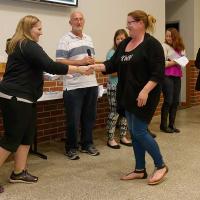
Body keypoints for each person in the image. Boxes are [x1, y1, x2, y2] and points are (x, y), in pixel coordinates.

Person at [0, 15, 91, 193]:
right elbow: (51, 65)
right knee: (12, 138)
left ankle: (18, 172)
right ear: (29, 29)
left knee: (27, 136)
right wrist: (79, 68)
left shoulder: (20, 45)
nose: (41, 33)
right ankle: (18, 171)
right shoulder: (27, 45)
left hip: (25, 97)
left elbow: (40, 69)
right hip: (16, 97)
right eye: (39, 29)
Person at [89, 10, 168, 185]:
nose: (128, 26)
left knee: (140, 131)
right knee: (134, 132)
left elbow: (158, 73)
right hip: (127, 94)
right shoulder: (125, 43)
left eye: (130, 22)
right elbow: (112, 64)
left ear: (141, 23)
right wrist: (94, 67)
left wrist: (145, 91)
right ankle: (140, 169)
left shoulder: (152, 44)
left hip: (145, 95)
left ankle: (160, 165)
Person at [56, 11, 99, 160]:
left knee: (89, 118)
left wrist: (92, 62)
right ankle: (71, 148)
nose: (78, 22)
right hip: (73, 86)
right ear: (70, 22)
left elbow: (90, 59)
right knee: (73, 120)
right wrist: (80, 62)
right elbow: (59, 61)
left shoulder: (89, 38)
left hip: (91, 83)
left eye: (81, 19)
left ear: (84, 21)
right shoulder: (65, 39)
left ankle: (87, 144)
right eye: (75, 19)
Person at [106, 29, 132, 149]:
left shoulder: (130, 52)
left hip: (126, 87)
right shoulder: (112, 53)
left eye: (122, 38)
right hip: (114, 87)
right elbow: (111, 73)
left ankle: (123, 137)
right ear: (115, 40)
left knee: (125, 113)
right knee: (114, 113)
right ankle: (110, 139)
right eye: (118, 39)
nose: (120, 41)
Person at [160, 28, 186, 133]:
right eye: (167, 36)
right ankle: (163, 125)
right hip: (166, 76)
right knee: (168, 100)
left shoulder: (181, 47)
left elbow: (184, 62)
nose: (168, 38)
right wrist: (177, 61)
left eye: (170, 36)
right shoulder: (164, 46)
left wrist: (173, 61)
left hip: (177, 76)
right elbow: (163, 63)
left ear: (175, 36)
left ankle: (172, 125)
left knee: (175, 102)